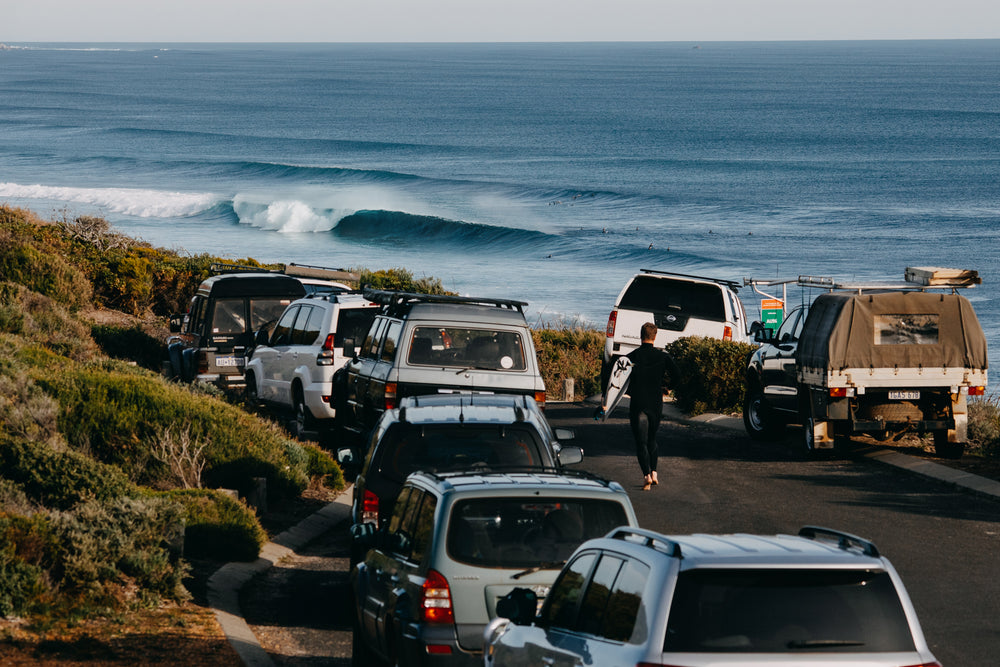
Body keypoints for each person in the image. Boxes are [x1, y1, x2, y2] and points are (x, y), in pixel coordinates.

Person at [626, 322, 681, 490]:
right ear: (655, 336)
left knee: (640, 442)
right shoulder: (663, 356)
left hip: (638, 402)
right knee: (651, 439)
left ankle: (646, 476)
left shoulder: (632, 356)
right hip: (655, 403)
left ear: (640, 336)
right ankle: (655, 472)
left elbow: (617, 375)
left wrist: (628, 390)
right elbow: (677, 376)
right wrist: (667, 388)